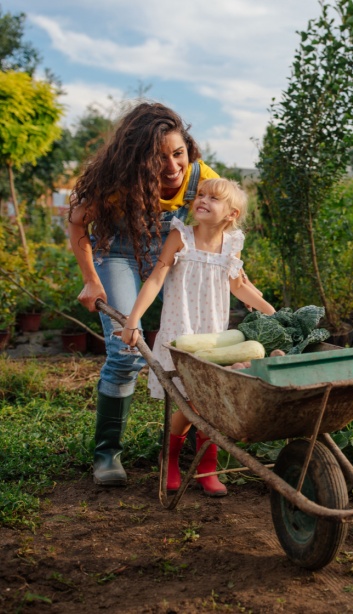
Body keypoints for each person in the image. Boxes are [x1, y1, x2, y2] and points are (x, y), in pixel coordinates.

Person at [69, 102, 220, 487]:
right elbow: (77, 226)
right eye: (158, 159)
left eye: (178, 154)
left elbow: (223, 222)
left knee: (195, 345)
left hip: (168, 253)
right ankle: (107, 454)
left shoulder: (201, 179)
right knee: (125, 352)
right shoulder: (113, 183)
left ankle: (176, 447)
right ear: (136, 159)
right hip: (117, 252)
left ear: (189, 148)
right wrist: (91, 279)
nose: (172, 168)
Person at [121, 178, 275, 496]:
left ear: (231, 214)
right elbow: (156, 276)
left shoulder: (232, 244)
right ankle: (172, 459)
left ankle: (207, 468)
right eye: (200, 195)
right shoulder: (181, 237)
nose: (202, 200)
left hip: (214, 336)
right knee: (191, 401)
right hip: (183, 332)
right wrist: (132, 319)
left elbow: (237, 285)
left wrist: (271, 312)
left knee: (210, 400)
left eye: (213, 198)